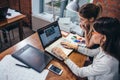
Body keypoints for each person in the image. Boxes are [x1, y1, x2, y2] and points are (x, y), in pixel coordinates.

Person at [52, 17, 120, 80]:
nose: (92, 34)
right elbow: (91, 52)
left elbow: (79, 72)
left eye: (93, 32)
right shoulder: (107, 47)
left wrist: (64, 56)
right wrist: (74, 47)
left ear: (104, 38)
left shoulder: (107, 63)